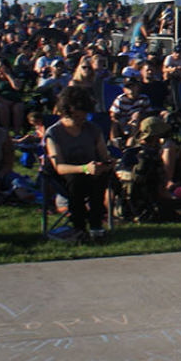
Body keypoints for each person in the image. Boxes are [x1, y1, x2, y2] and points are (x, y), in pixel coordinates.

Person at [45, 87, 114, 244]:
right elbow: (59, 167)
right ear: (65, 113)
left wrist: (105, 165)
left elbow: (104, 156)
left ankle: (96, 225)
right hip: (67, 176)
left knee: (101, 178)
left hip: (93, 173)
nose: (80, 122)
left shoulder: (93, 129)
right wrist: (84, 168)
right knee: (76, 181)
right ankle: (80, 227)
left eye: (83, 118)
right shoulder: (54, 133)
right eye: (76, 118)